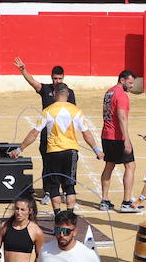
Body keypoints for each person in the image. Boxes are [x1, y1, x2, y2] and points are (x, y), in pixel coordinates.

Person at [9, 83, 103, 213]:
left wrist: (20, 149)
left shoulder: (48, 111)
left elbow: (34, 133)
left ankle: (58, 215)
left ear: (55, 94)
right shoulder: (76, 111)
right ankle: (69, 215)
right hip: (71, 151)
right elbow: (86, 133)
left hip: (53, 152)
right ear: (68, 94)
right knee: (69, 186)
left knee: (54, 186)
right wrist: (96, 150)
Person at [15, 58, 77, 162]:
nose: (57, 81)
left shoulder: (69, 92)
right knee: (47, 163)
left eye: (59, 79)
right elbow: (32, 81)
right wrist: (23, 71)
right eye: (55, 78)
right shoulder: (46, 89)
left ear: (63, 77)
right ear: (51, 77)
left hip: (63, 133)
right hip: (47, 132)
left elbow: (73, 114)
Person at [99, 70, 139, 212]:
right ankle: (126, 202)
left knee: (109, 166)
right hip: (117, 137)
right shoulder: (121, 95)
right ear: (122, 80)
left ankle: (104, 200)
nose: (132, 86)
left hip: (106, 135)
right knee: (130, 166)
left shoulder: (109, 92)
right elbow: (122, 118)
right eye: (130, 82)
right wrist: (126, 140)